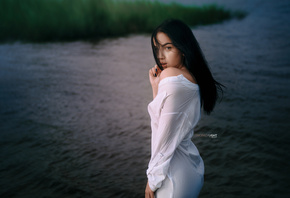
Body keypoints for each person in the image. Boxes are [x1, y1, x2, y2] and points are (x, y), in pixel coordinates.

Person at [145, 19, 223, 198]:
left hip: (172, 176)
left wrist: (153, 179)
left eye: (168, 47)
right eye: (157, 48)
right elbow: (165, 124)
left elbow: (163, 138)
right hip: (189, 168)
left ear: (183, 47)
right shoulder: (189, 78)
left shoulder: (171, 76)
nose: (161, 55)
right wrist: (156, 87)